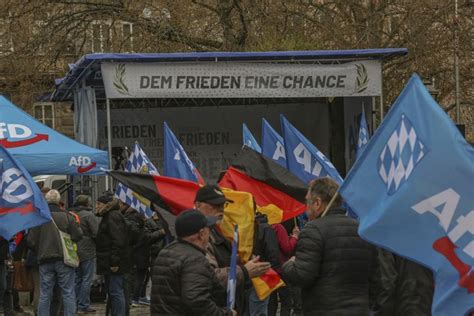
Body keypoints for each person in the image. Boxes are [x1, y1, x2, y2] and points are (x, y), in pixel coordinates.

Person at [283, 177, 376, 315]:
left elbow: (302, 276)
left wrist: (289, 265)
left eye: (307, 202)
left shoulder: (312, 230)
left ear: (317, 203)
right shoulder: (361, 230)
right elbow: (377, 277)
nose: (306, 208)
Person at [194, 185, 271, 314]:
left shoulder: (219, 231)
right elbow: (207, 277)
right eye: (214, 206)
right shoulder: (195, 234)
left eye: (222, 206)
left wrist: (244, 265)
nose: (220, 210)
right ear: (198, 205)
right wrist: (245, 271)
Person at [151, 209, 234, 315]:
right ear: (202, 233)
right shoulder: (195, 259)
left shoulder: (166, 251)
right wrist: (225, 314)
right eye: (209, 230)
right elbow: (196, 300)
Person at [27, 189, 83, 316]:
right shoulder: (68, 216)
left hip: (45, 259)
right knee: (68, 292)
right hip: (64, 259)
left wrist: (40, 249)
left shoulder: (39, 218)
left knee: (45, 293)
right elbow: (78, 235)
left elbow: (30, 241)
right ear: (59, 202)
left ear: (46, 201)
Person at [370, 248, 434, 315]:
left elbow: (387, 283)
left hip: (403, 305)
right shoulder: (430, 242)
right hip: (425, 303)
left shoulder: (387, 242)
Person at [95, 198, 130, 316]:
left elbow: (118, 240)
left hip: (113, 262)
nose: (96, 206)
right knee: (113, 291)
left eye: (99, 204)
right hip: (108, 260)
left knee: (116, 292)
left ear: (106, 205)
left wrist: (115, 261)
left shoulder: (112, 216)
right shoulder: (109, 216)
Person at [71, 195, 100, 314]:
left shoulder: (71, 214)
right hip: (88, 250)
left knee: (77, 278)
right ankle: (83, 305)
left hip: (74, 249)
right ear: (87, 203)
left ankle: (74, 304)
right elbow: (96, 232)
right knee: (87, 279)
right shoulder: (89, 215)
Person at [248, 212, 280, 316]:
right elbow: (273, 253)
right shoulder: (267, 228)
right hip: (263, 274)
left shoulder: (244, 227)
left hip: (245, 273)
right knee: (260, 308)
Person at [268, 220, 299, 316]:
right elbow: (287, 248)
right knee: (286, 301)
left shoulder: (262, 226)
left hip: (268, 270)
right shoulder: (278, 227)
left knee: (271, 303)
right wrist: (294, 236)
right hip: (281, 269)